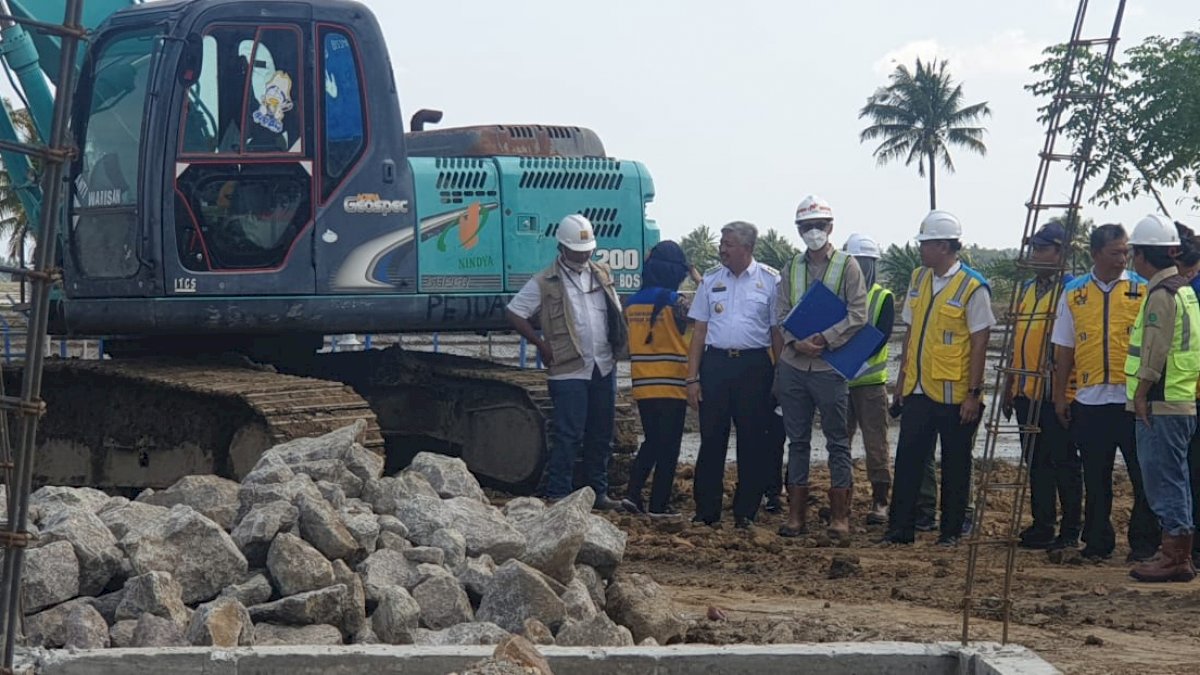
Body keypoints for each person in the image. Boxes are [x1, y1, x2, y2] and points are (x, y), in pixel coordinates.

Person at [880, 210, 995, 546]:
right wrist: (901, 383)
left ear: (944, 246)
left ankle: (950, 531)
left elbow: (980, 342)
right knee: (909, 462)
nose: (921, 250)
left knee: (956, 466)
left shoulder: (973, 287)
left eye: (926, 244)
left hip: (955, 395)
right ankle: (900, 530)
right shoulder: (919, 278)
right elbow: (912, 332)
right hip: (918, 389)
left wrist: (974, 394)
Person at [1052, 224, 1159, 562]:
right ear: (1095, 253)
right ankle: (1098, 541)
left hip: (1132, 401)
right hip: (1090, 401)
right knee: (1096, 477)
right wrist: (1059, 396)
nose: (1122, 258)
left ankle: (1143, 543)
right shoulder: (1074, 293)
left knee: (1142, 475)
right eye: (1115, 252)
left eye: (1125, 251)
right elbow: (1064, 348)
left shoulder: (1144, 290)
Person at [506, 214, 628, 510]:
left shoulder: (600, 273)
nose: (584, 254)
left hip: (603, 365)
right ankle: (559, 491)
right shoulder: (545, 281)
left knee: (601, 433)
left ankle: (597, 491)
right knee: (568, 434)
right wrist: (541, 345)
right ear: (562, 247)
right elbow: (514, 312)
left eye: (587, 249)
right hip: (568, 367)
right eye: (578, 249)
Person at [774, 195, 867, 540]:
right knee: (796, 441)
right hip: (794, 364)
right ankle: (796, 516)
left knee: (837, 442)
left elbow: (859, 313)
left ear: (830, 227)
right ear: (799, 230)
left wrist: (824, 339)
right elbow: (781, 314)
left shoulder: (848, 265)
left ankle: (839, 518)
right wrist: (796, 341)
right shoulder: (791, 267)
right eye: (806, 226)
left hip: (829, 366)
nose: (813, 232)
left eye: (819, 226)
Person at [686, 221, 783, 529]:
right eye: (722, 244)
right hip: (715, 366)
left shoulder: (771, 281)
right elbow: (699, 332)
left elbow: (776, 332)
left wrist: (780, 376)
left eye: (728, 244)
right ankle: (707, 511)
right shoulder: (711, 280)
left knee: (753, 442)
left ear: (747, 248)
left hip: (754, 367)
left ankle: (746, 512)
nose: (722, 249)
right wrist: (692, 378)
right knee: (712, 439)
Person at [1124, 215, 1200, 582]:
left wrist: (1141, 393)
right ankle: (1178, 552)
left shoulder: (1161, 294)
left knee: (1163, 479)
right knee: (1177, 478)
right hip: (1182, 398)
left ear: (1142, 256)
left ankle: (1174, 555)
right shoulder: (1184, 288)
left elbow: (1154, 349)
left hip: (1162, 400)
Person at [1001, 222, 1082, 551]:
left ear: (1060, 252)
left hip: (1055, 392)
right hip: (1027, 391)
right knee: (1035, 462)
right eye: (1034, 249)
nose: (1035, 255)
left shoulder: (1072, 291)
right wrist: (1010, 386)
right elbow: (1017, 342)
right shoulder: (1030, 291)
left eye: (1042, 249)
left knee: (1064, 462)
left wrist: (1062, 393)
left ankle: (1071, 528)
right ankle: (1043, 523)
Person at [621, 240, 693, 517]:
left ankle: (632, 493)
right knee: (669, 445)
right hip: (672, 383)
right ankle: (659, 504)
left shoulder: (632, 302)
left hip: (642, 383)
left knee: (651, 441)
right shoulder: (676, 302)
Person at [841, 233, 895, 525]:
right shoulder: (839, 296)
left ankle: (880, 501)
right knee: (839, 443)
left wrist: (851, 359)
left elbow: (880, 336)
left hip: (870, 384)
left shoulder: (882, 297)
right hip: (840, 382)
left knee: (876, 445)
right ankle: (842, 500)